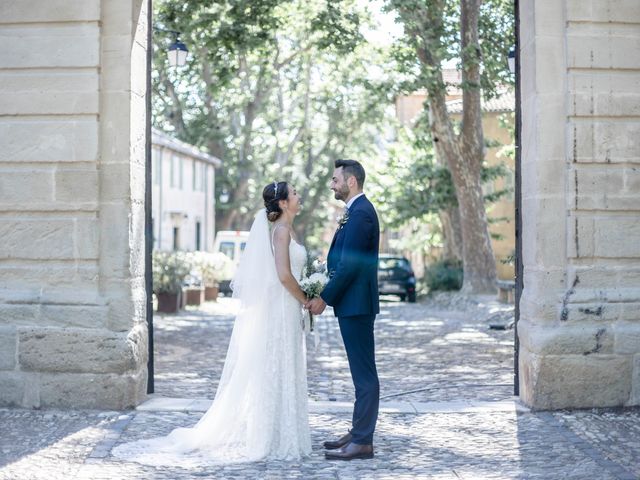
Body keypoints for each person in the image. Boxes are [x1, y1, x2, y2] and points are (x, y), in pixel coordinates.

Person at [112, 181, 311, 466]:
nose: (298, 196)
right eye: (294, 193)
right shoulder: (280, 232)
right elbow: (282, 275)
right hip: (281, 309)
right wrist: (305, 297)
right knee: (276, 367)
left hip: (286, 309)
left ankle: (281, 432)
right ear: (282, 203)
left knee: (282, 365)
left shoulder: (286, 230)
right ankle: (272, 437)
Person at [307, 159, 381, 461]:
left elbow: (350, 264)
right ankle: (357, 431)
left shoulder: (362, 213)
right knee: (358, 372)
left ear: (351, 181)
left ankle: (363, 440)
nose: (332, 184)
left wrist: (324, 297)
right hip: (352, 304)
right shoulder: (354, 211)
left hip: (357, 304)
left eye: (336, 179)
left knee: (364, 374)